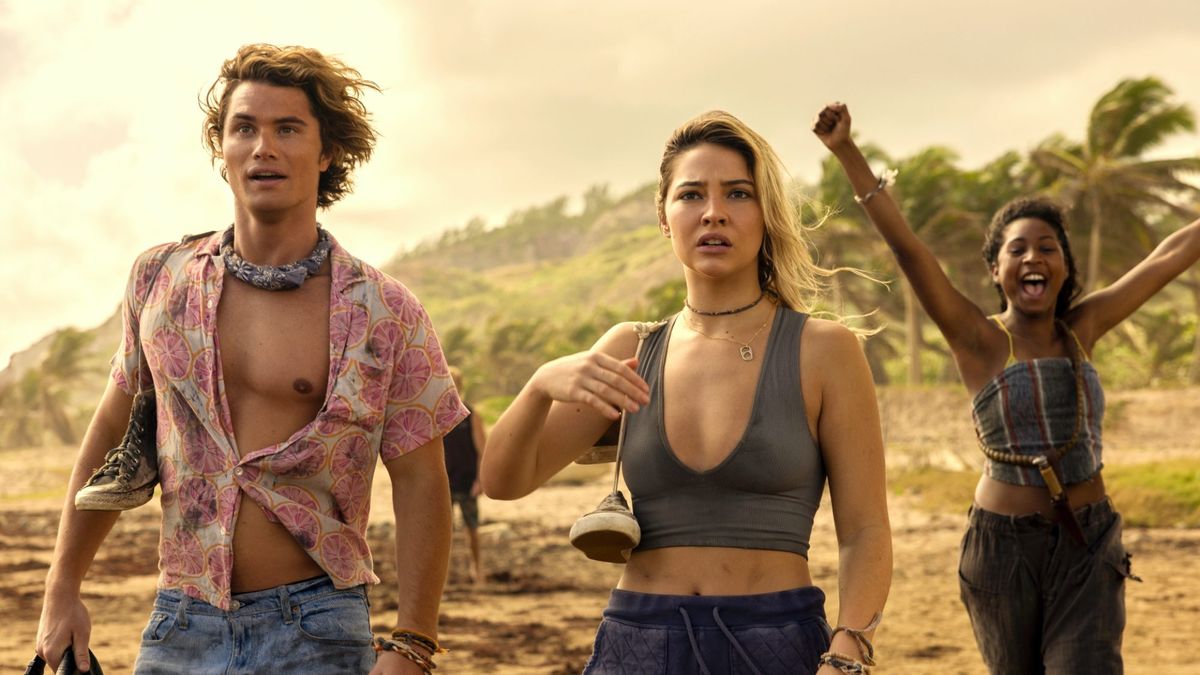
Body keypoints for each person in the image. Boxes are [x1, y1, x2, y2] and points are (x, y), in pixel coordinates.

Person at [35, 44, 467, 675]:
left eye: (287, 129)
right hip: (180, 621)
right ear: (222, 149)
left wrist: (414, 644)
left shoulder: (385, 310)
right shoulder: (160, 279)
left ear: (326, 151)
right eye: (244, 128)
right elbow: (111, 432)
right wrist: (62, 588)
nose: (264, 147)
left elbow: (421, 479)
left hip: (317, 627)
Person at [481, 110, 892, 675]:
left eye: (738, 194)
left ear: (767, 213)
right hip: (638, 642)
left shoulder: (823, 350)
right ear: (663, 216)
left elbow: (865, 530)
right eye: (692, 194)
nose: (713, 212)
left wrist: (848, 651)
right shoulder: (631, 349)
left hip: (775, 643)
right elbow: (503, 482)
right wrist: (538, 386)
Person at [814, 102, 1200, 673]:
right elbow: (909, 251)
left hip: (1089, 542)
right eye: (1016, 249)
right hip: (1003, 551)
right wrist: (847, 150)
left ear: (1065, 266)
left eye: (1047, 247)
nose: (1032, 257)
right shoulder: (979, 340)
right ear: (995, 270)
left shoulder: (1084, 327)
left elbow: (1168, 256)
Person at [443, 366, 488, 583]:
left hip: (467, 480)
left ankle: (476, 568)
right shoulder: (437, 415)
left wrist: (480, 480)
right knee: (443, 532)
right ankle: (444, 573)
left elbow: (482, 451)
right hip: (444, 483)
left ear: (459, 386)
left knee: (472, 528)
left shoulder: (471, 415)